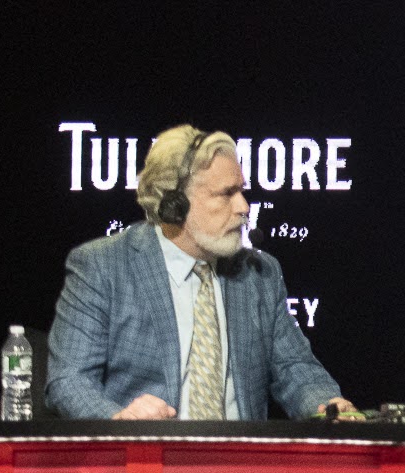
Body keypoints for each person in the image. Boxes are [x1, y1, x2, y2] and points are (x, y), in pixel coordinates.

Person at [46, 125, 351, 421]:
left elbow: (294, 368)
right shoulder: (103, 266)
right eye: (226, 193)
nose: (243, 206)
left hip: (239, 465)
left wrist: (327, 406)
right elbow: (69, 380)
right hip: (145, 463)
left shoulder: (260, 273)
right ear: (174, 205)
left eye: (241, 191)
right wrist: (118, 419)